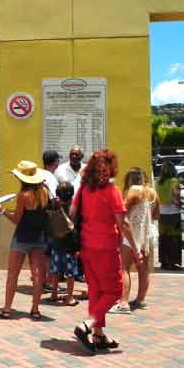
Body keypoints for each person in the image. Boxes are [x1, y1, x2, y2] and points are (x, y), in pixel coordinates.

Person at [71, 149, 137, 354]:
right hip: (105, 247)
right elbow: (124, 223)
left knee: (96, 290)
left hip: (86, 246)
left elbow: (73, 213)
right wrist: (136, 248)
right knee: (115, 291)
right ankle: (87, 325)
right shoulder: (111, 191)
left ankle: (98, 335)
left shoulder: (84, 189)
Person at [0, 160, 49, 320]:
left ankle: (7, 308)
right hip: (38, 236)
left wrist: (2, 210)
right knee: (38, 275)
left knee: (13, 274)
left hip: (22, 237)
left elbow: (17, 219)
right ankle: (35, 309)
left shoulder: (23, 195)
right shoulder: (44, 192)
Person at [110, 168, 159, 314]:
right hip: (148, 233)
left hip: (132, 233)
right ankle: (141, 299)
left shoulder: (133, 191)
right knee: (143, 268)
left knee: (124, 267)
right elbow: (156, 215)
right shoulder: (152, 192)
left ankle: (123, 302)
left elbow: (121, 211)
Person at [48, 182, 80, 307]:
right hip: (69, 246)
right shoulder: (74, 208)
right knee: (70, 273)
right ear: (72, 194)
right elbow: (76, 227)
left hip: (56, 244)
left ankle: (54, 293)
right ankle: (70, 297)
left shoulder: (55, 205)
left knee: (56, 271)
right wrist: (78, 247)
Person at [156, 161, 182, 270]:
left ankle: (163, 261)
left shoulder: (158, 182)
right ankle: (172, 262)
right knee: (174, 238)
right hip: (173, 213)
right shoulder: (174, 181)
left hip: (162, 213)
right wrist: (179, 202)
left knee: (163, 238)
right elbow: (176, 194)